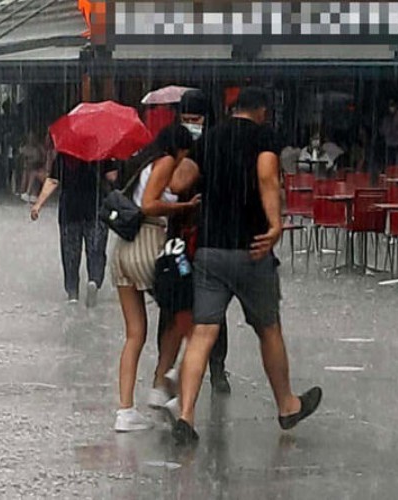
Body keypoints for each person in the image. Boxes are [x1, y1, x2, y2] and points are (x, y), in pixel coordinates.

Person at [170, 87, 322, 444]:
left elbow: (179, 181)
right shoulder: (262, 137)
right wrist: (274, 224)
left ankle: (187, 417)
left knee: (204, 331)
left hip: (210, 250)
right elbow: (267, 176)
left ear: (233, 108)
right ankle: (287, 405)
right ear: (262, 112)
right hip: (252, 249)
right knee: (268, 328)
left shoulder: (210, 139)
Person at [110, 125, 199, 432]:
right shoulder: (164, 162)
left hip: (122, 251)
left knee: (135, 334)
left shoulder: (142, 164)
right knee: (184, 309)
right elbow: (149, 204)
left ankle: (125, 411)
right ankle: (167, 382)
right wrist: (183, 206)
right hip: (148, 243)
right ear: (179, 148)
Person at [150, 90, 232, 413]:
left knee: (212, 308)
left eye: (197, 119)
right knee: (173, 301)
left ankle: (216, 367)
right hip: (179, 237)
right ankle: (167, 367)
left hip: (208, 238)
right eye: (186, 119)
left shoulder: (212, 149)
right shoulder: (173, 147)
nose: (191, 125)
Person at [31, 150, 117, 306]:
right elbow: (112, 177)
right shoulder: (101, 152)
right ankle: (94, 281)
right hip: (95, 209)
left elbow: (53, 181)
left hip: (69, 210)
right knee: (96, 250)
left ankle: (72, 293)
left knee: (70, 252)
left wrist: (38, 204)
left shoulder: (64, 156)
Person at [380, 99, 398, 166]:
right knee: (389, 163)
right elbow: (382, 130)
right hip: (389, 144)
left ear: (396, 106)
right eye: (390, 106)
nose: (391, 108)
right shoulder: (386, 118)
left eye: (392, 106)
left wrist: (392, 132)